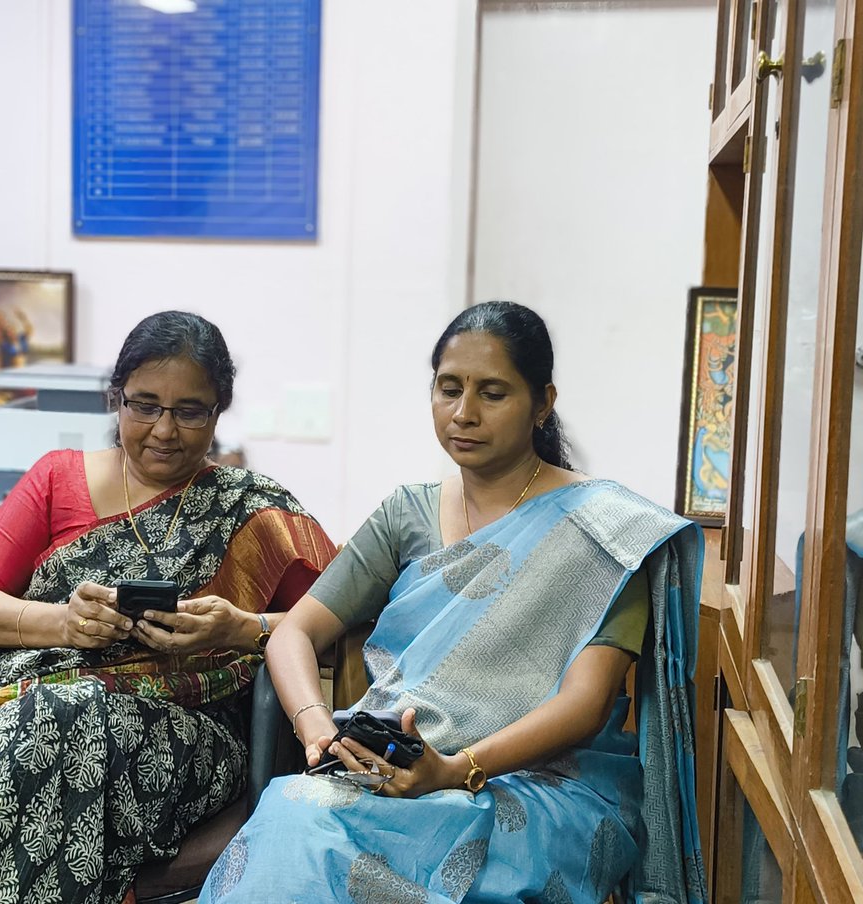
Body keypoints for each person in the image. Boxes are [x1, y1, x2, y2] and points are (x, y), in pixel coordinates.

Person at [201, 301, 707, 903]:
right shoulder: (406, 513)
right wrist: (317, 729)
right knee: (292, 812)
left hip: (537, 787)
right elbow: (293, 633)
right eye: (449, 389)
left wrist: (454, 770)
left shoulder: (605, 532)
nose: (463, 413)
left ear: (542, 402)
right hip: (391, 771)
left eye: (493, 393)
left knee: (319, 832)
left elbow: (586, 703)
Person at [0, 311, 337, 904]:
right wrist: (65, 622)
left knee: (65, 716)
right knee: (60, 720)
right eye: (144, 405)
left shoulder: (254, 509)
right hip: (31, 716)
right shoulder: (57, 479)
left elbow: (345, 620)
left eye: (190, 411)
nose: (164, 430)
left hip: (187, 738)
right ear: (116, 400)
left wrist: (241, 628)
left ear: (217, 414)